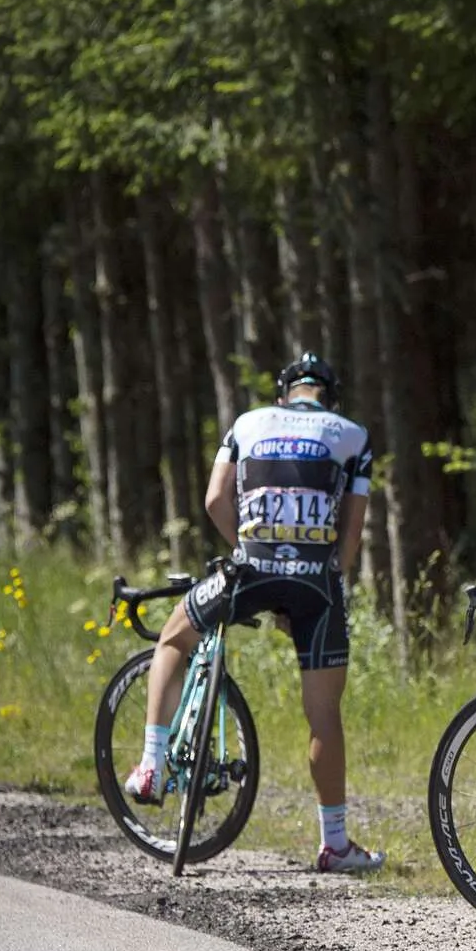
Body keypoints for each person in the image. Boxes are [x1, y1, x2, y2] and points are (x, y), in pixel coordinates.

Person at [124, 354, 381, 873]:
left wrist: (249, 546)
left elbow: (216, 498)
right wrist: (322, 584)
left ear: (285, 394)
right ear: (329, 398)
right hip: (318, 582)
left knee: (175, 636)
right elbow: (349, 536)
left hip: (251, 566)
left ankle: (152, 764)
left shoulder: (247, 423)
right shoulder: (353, 435)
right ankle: (334, 843)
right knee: (324, 714)